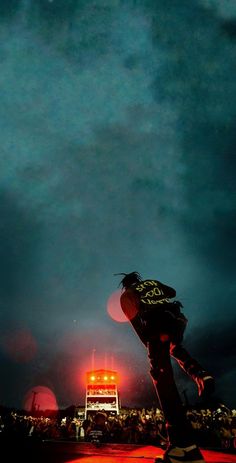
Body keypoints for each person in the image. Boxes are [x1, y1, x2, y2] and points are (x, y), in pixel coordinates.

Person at [118, 271, 215, 463]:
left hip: (156, 325)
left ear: (125, 285)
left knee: (163, 380)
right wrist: (156, 292)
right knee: (175, 347)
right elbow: (172, 291)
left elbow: (135, 321)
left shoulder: (127, 295)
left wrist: (148, 343)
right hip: (176, 320)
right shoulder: (151, 282)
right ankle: (199, 373)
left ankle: (180, 446)